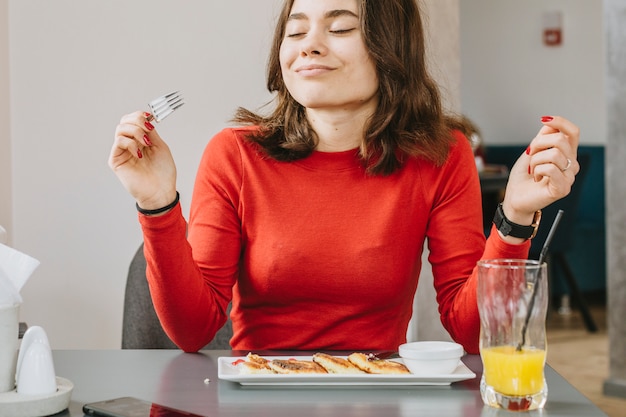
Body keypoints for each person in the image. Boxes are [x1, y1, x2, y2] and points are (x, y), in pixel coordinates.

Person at [110, 0, 580, 354]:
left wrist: (516, 215)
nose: (309, 45)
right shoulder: (233, 154)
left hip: (379, 395)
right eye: (295, 33)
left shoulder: (441, 154)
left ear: (391, 47)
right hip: (258, 394)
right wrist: (157, 204)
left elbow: (473, 334)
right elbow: (193, 333)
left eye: (340, 28)